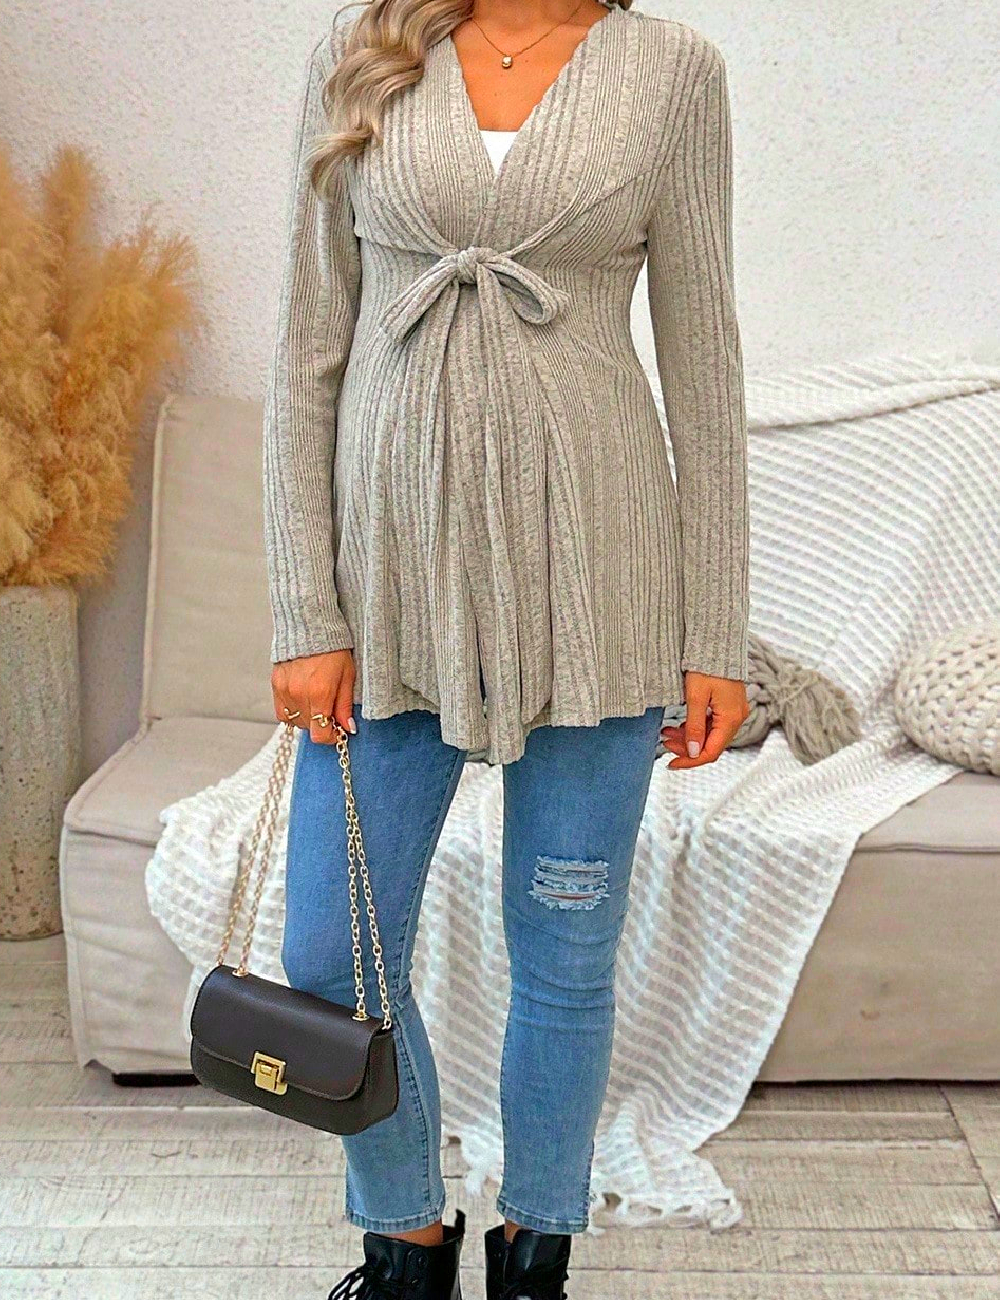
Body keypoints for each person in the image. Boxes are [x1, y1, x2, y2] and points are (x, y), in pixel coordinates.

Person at [264, 2, 751, 1296]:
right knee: (332, 953)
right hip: (389, 589)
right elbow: (307, 351)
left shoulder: (672, 72)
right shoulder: (364, 46)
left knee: (566, 950)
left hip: (600, 583)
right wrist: (304, 610)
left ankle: (538, 1255)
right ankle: (406, 1238)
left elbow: (704, 364)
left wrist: (715, 628)